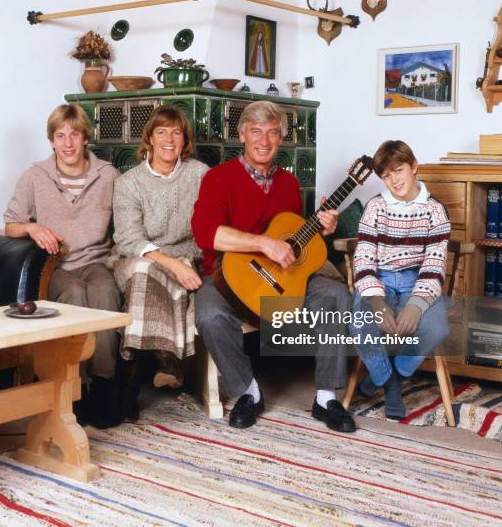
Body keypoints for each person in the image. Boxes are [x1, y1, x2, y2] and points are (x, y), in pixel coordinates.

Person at [191, 100, 356, 432]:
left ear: (281, 139)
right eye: (256, 132)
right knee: (209, 315)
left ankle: (326, 397)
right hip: (225, 279)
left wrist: (320, 230)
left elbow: (292, 240)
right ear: (242, 136)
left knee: (336, 294)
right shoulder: (218, 179)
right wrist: (263, 243)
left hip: (280, 279)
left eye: (272, 133)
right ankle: (248, 392)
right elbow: (206, 233)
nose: (263, 141)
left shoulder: (289, 184)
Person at [4, 103, 123, 428]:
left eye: (75, 134)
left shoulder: (108, 174)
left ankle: (103, 384)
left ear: (86, 138)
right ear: (52, 141)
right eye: (61, 136)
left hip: (96, 261)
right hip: (56, 265)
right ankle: (75, 388)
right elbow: (11, 224)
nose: (68, 143)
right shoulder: (34, 176)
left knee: (103, 292)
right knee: (72, 293)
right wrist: (32, 228)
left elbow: (126, 221)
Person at [111, 106, 208, 419]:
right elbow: (128, 239)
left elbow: (209, 228)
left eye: (176, 132)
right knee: (145, 270)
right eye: (162, 132)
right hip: (137, 255)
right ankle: (166, 359)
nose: (169, 139)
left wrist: (180, 262)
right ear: (149, 139)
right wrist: (171, 264)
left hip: (187, 254)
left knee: (154, 274)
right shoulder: (129, 182)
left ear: (184, 140)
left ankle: (130, 381)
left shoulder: (200, 174)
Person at [349, 140, 451, 420]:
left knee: (436, 328)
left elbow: (434, 264)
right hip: (378, 278)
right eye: (386, 175)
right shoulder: (376, 207)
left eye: (399, 170)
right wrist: (377, 301)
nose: (394, 180)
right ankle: (391, 384)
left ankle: (394, 371)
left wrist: (416, 305)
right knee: (359, 324)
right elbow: (364, 259)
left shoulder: (435, 211)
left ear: (414, 166)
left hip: (417, 280)